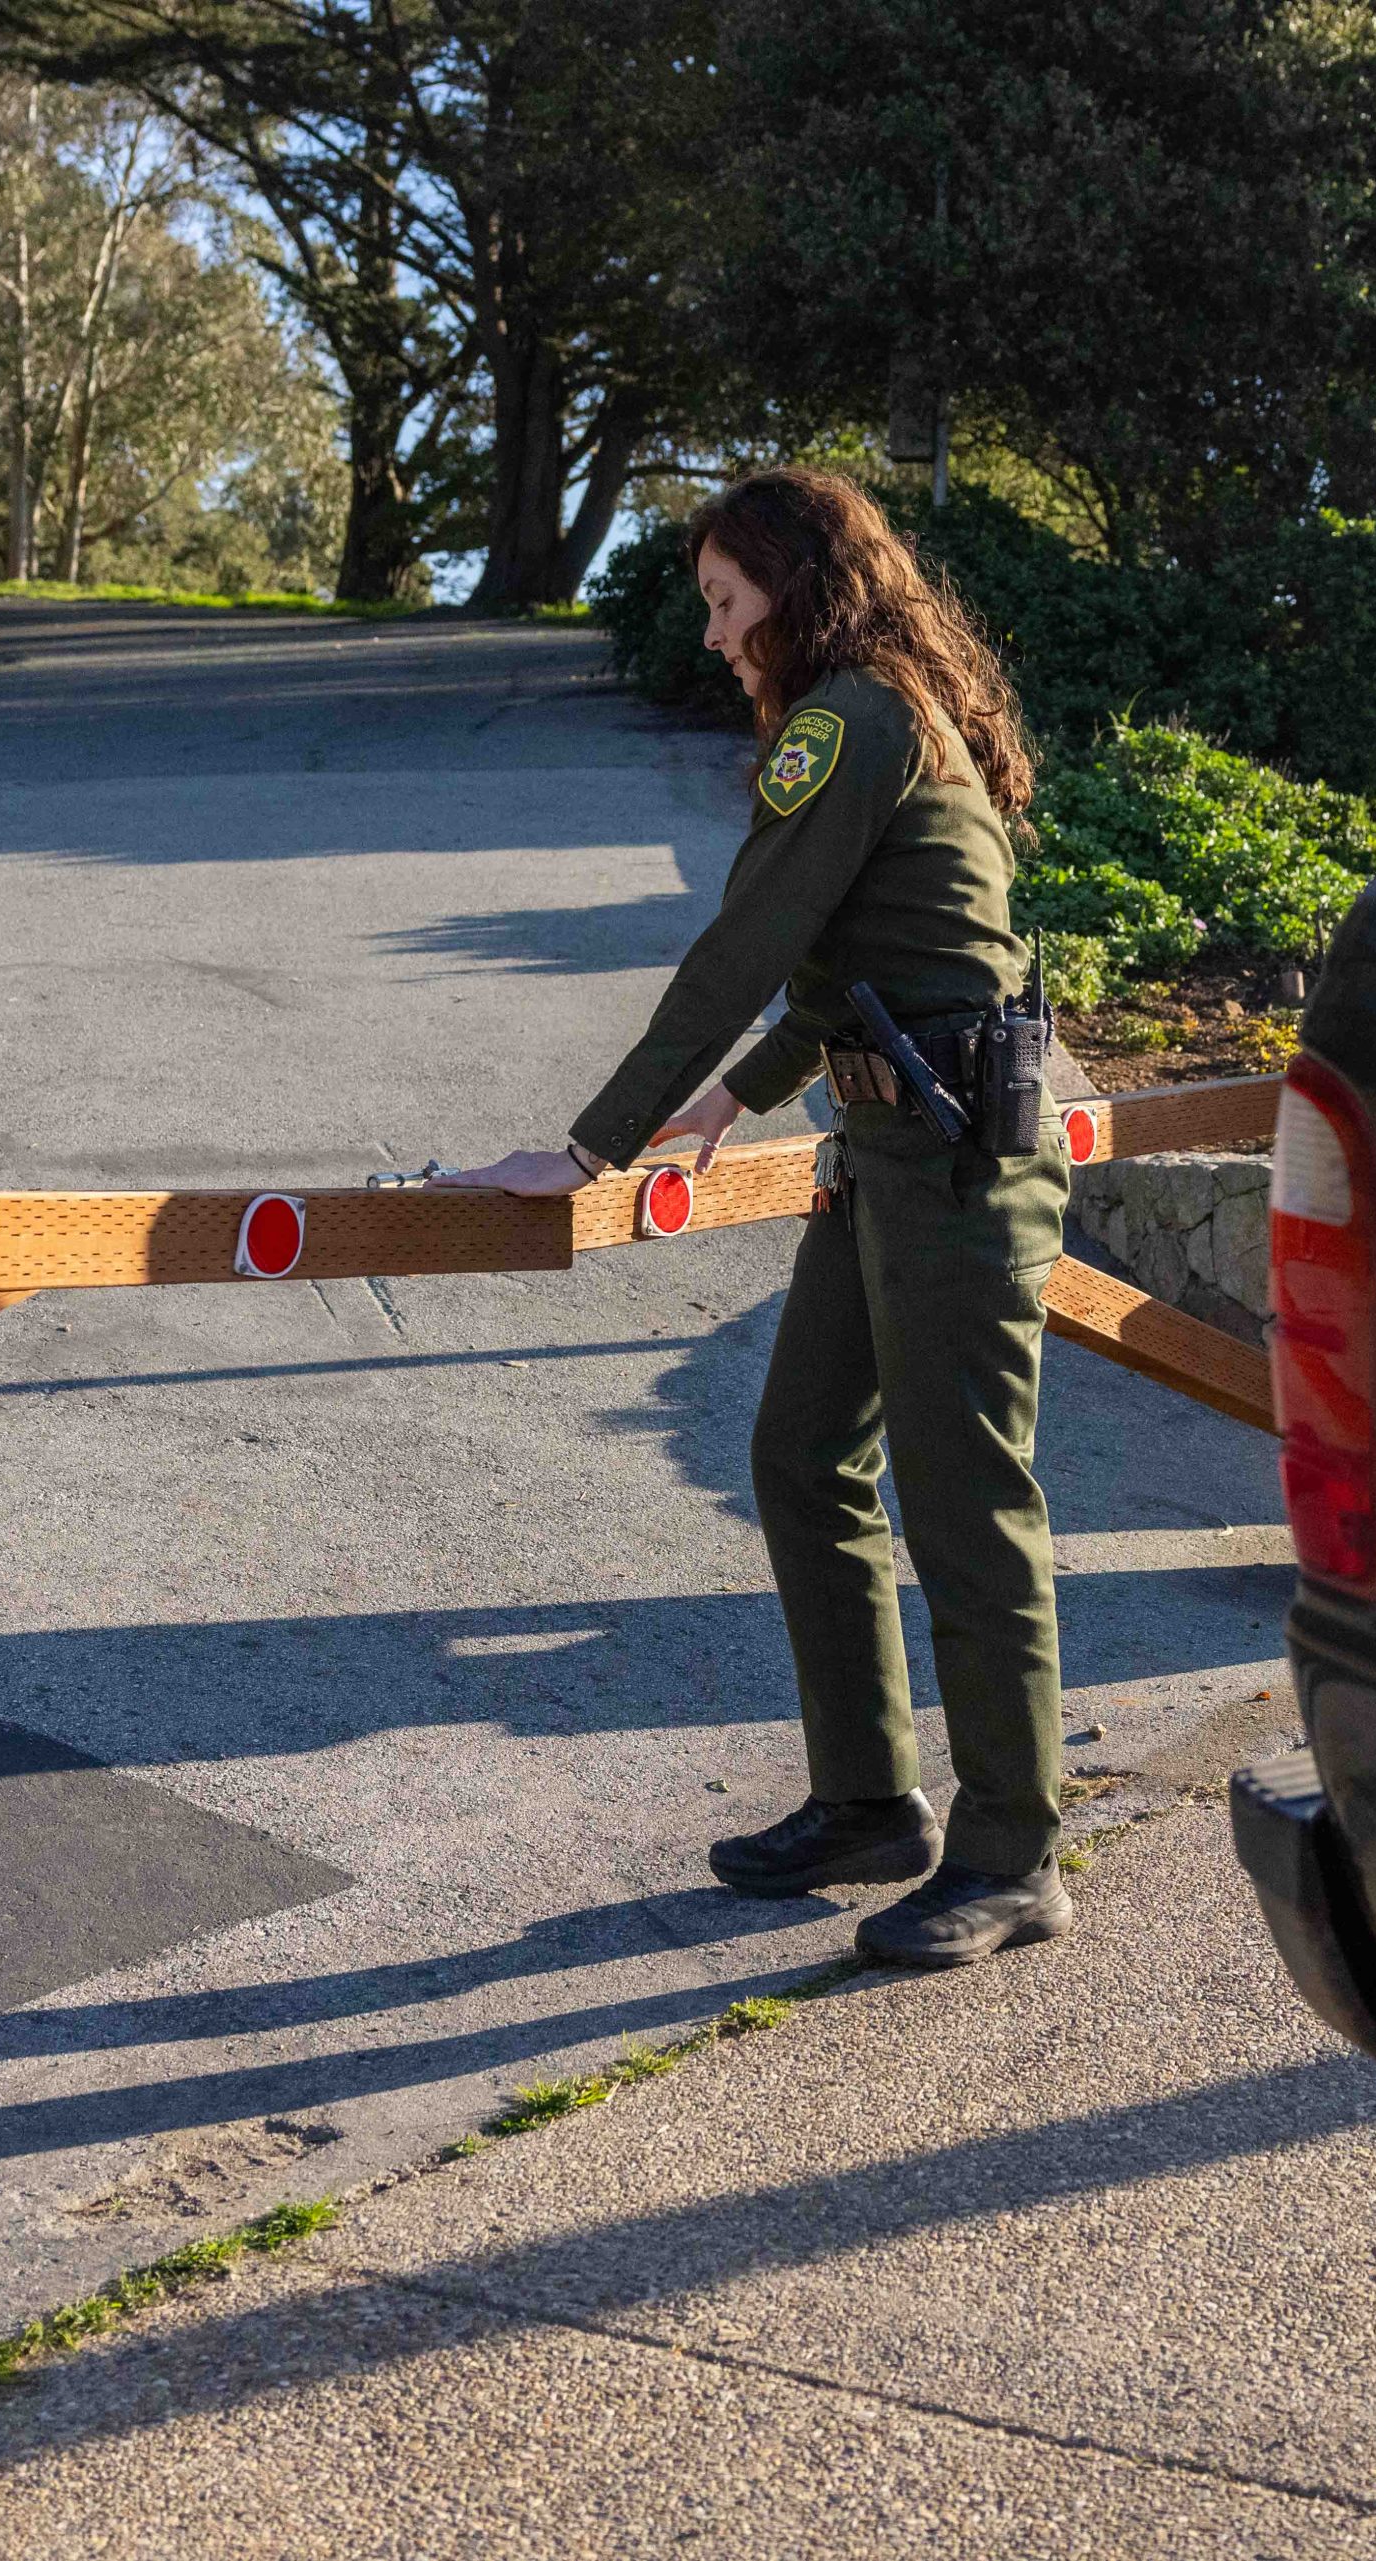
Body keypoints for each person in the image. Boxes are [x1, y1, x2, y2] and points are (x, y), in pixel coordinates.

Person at [433, 467, 1073, 1969]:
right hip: (891, 1142)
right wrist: (736, 1097)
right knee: (801, 1456)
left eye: (729, 605)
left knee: (971, 1504)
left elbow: (748, 944)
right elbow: (867, 955)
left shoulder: (852, 717)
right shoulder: (871, 710)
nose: (719, 639)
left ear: (798, 583)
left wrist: (591, 1145)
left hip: (954, 1160)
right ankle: (867, 1800)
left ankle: (1013, 1852)